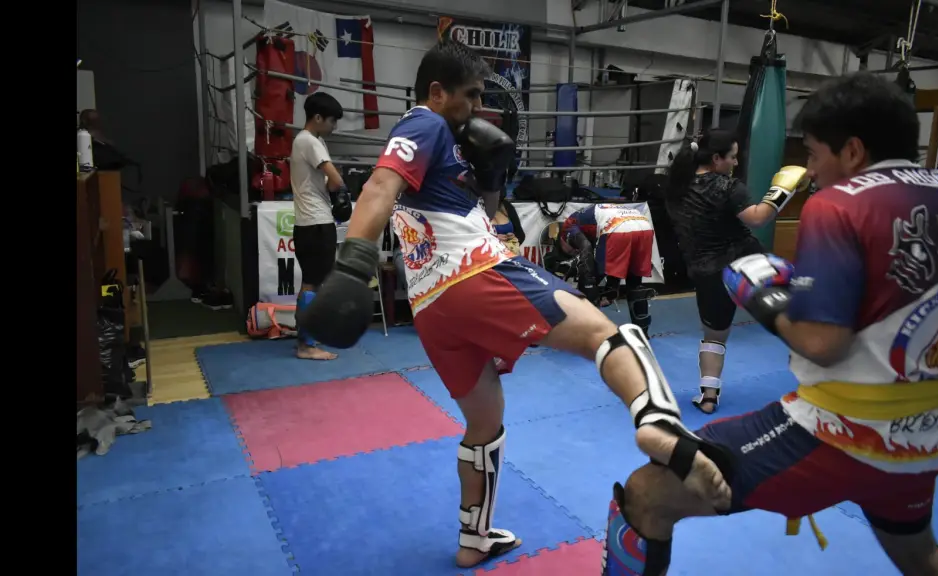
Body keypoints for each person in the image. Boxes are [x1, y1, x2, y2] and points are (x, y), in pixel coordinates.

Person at [298, 38, 732, 570]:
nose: (478, 109)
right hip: (473, 273)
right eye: (472, 96)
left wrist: (492, 178)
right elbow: (381, 185)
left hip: (432, 307)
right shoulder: (424, 122)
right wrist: (354, 264)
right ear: (437, 92)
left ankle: (473, 537)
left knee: (485, 422)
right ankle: (664, 426)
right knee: (611, 336)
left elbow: (479, 211)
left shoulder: (449, 144)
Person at [603, 72, 938, 576]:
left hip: (843, 434)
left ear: (852, 151)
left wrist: (767, 299)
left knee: (646, 494)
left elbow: (821, 344)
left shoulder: (841, 204)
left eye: (813, 154)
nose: (810, 170)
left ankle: (708, 393)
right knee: (919, 555)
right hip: (931, 440)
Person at [666, 130, 810, 414]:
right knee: (794, 318)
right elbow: (757, 218)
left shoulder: (676, 189)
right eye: (731, 157)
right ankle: (814, 387)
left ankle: (708, 398)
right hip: (747, 262)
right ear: (716, 158)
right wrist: (783, 189)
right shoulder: (727, 186)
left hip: (707, 271)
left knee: (714, 335)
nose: (735, 163)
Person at [289, 92, 347, 361]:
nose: (334, 127)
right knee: (313, 284)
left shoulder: (305, 141)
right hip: (317, 223)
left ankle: (306, 336)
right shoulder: (310, 141)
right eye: (332, 121)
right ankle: (306, 345)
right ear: (318, 118)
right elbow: (335, 180)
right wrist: (338, 195)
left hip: (306, 223)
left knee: (310, 282)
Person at [556, 204, 658, 336]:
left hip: (616, 227)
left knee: (591, 275)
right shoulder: (590, 216)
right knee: (634, 282)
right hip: (644, 226)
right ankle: (642, 332)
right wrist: (612, 286)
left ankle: (587, 331)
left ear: (562, 239)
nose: (574, 252)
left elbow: (585, 248)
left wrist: (587, 281)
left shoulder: (568, 226)